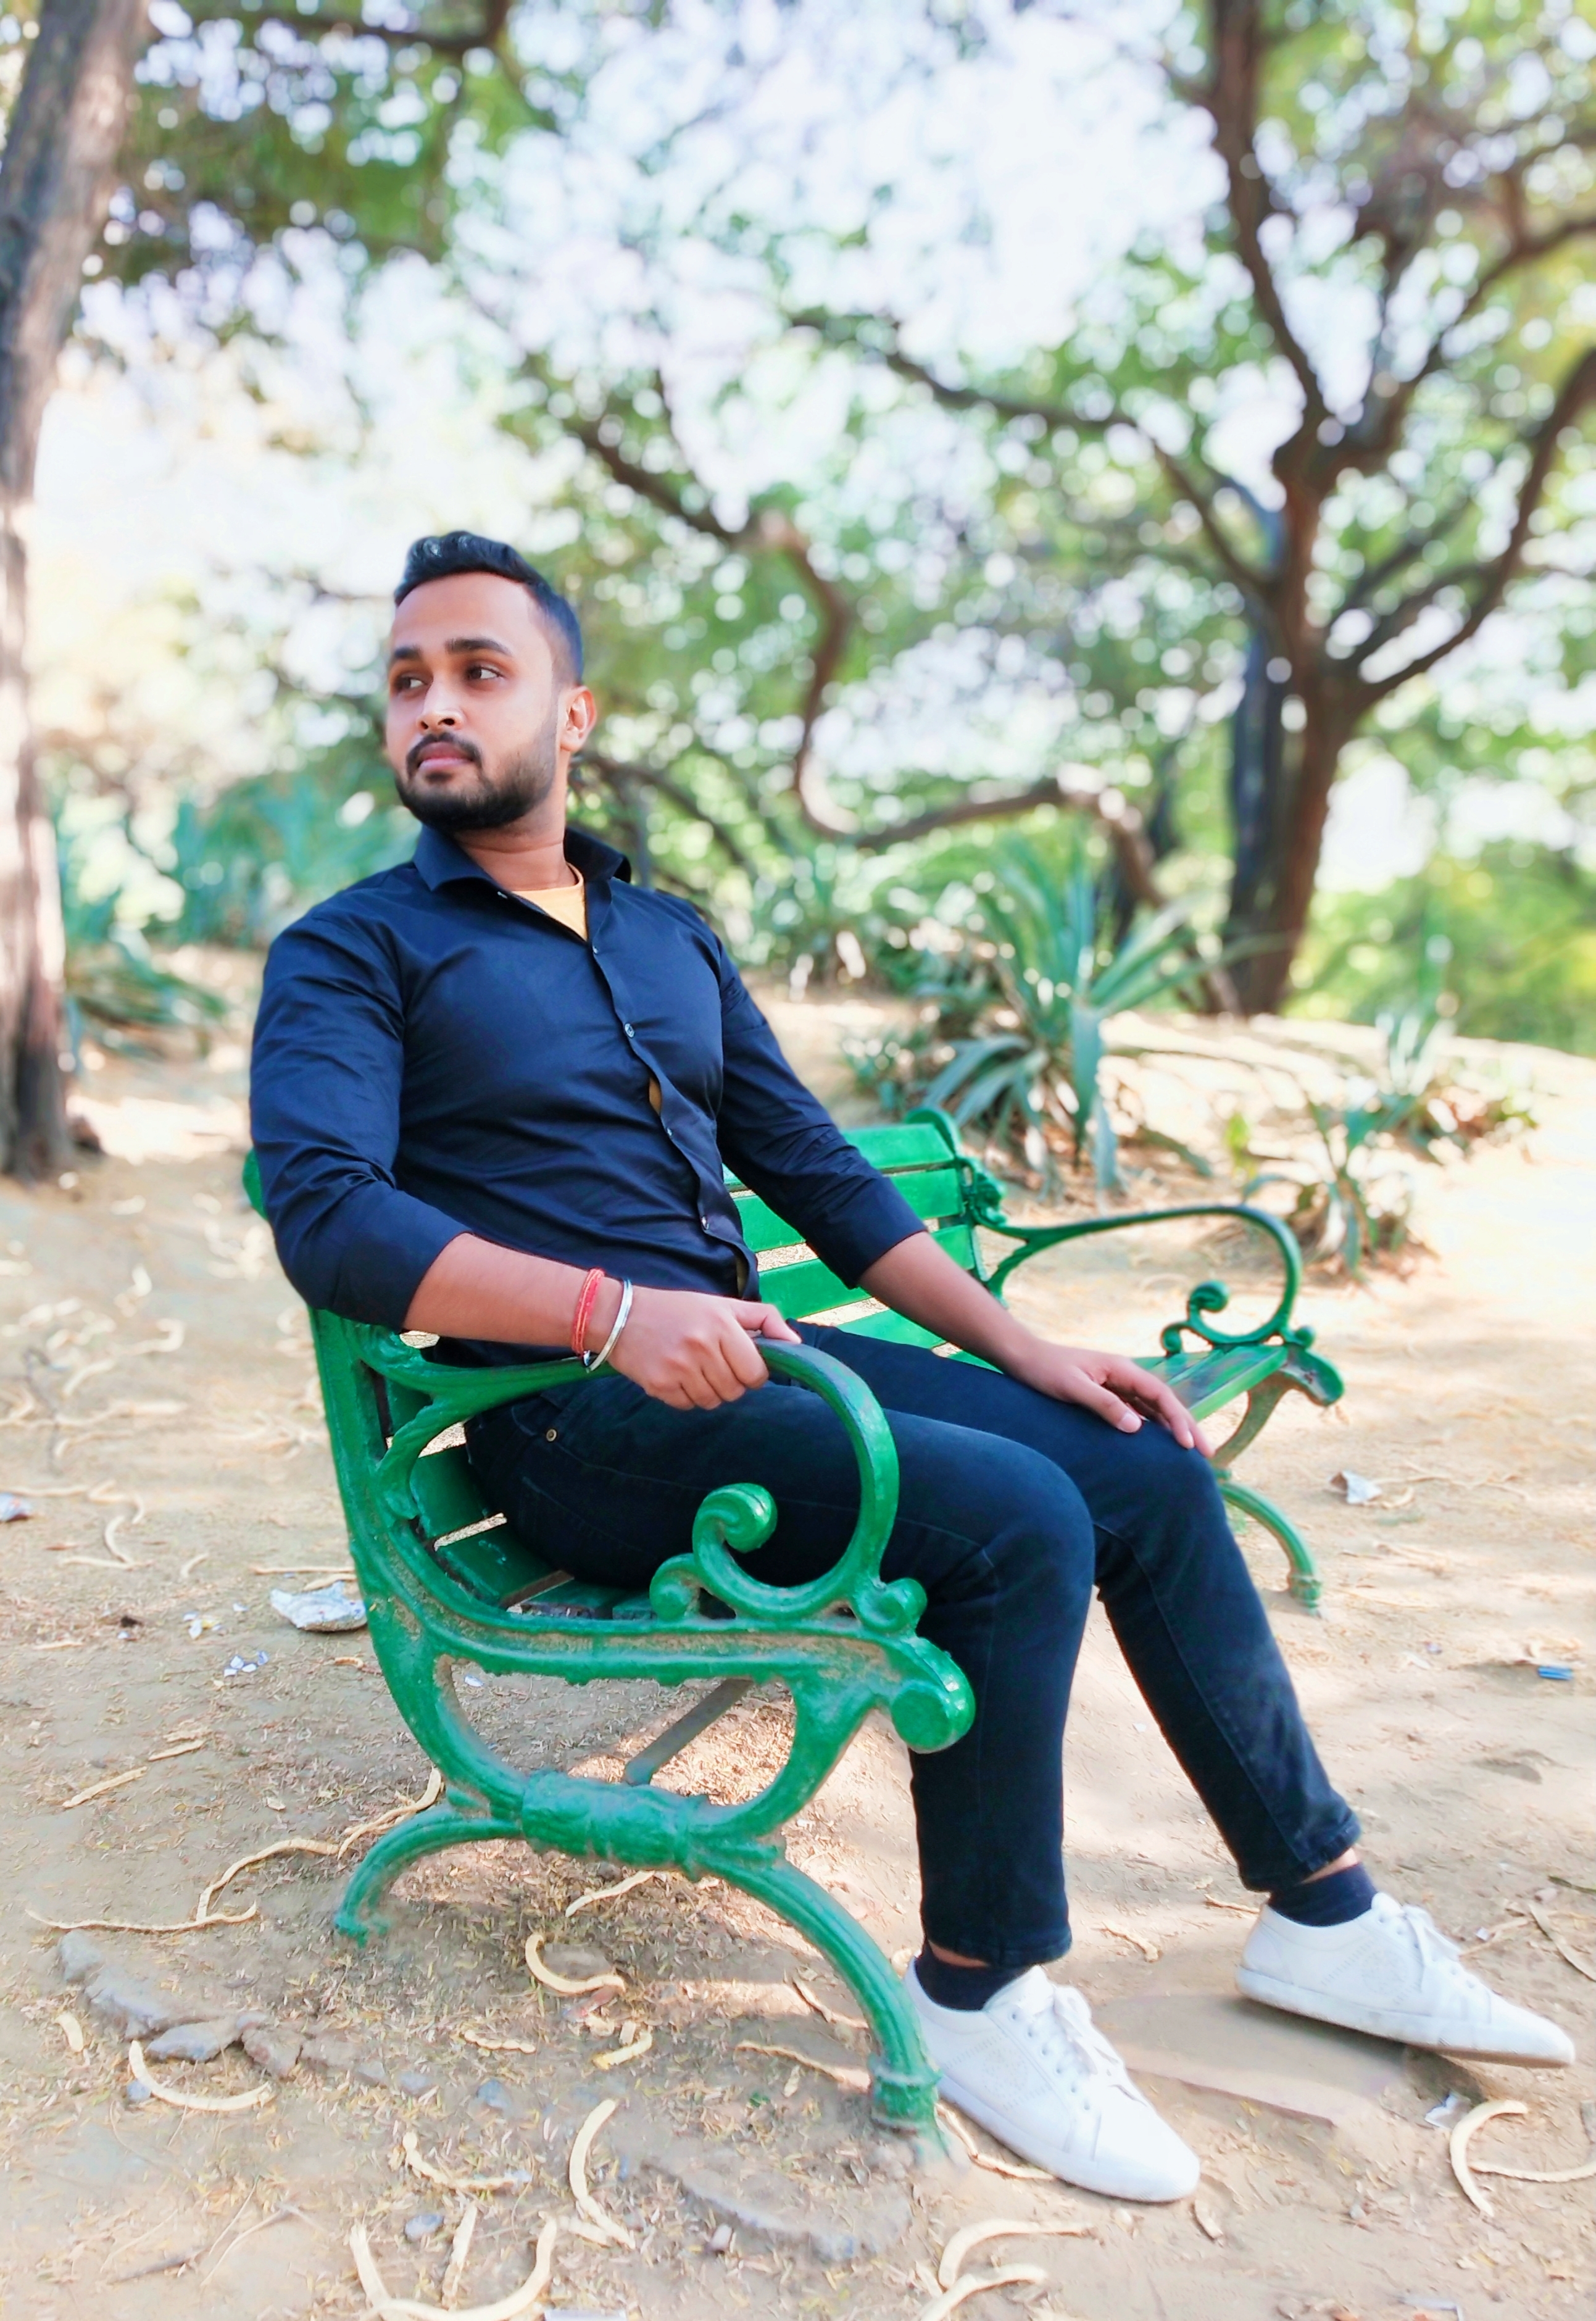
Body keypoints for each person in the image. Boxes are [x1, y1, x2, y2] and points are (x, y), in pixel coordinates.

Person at [251, 531, 1575, 2202]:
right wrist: (608, 1315)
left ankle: (1325, 1913)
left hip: (762, 1374)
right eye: (406, 680)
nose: (433, 704)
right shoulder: (352, 951)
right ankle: (979, 1991)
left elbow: (812, 1168)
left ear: (571, 714)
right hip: (566, 1424)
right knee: (1013, 1520)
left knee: (1141, 1456)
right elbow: (326, 1213)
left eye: (477, 671)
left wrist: (1028, 1348)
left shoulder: (665, 936)